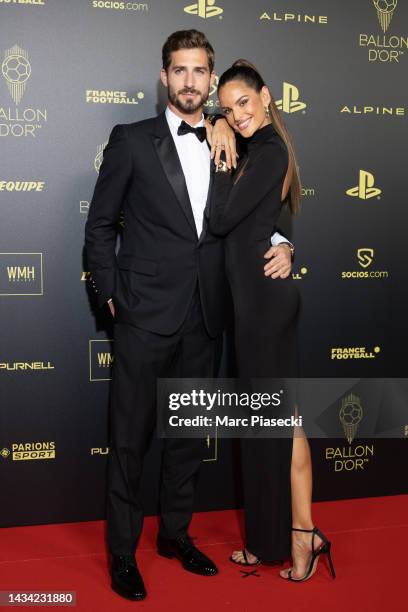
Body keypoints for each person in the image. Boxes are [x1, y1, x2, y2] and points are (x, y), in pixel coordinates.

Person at [85, 31, 293, 601]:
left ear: (211, 79)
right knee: (129, 441)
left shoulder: (237, 141)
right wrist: (109, 295)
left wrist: (286, 242)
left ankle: (176, 534)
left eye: (200, 71)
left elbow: (267, 208)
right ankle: (123, 553)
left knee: (187, 438)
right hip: (143, 316)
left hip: (208, 313)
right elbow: (100, 226)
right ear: (164, 77)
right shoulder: (130, 141)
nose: (189, 82)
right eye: (179, 71)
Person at [208, 60, 336, 583]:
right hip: (252, 304)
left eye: (244, 103)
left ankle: (304, 536)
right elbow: (271, 219)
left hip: (266, 306)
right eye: (228, 108)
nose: (237, 115)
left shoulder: (269, 151)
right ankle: (266, 540)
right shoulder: (259, 148)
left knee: (283, 425)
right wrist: (217, 127)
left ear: (266, 97)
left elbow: (221, 219)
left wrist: (219, 150)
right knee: (264, 428)